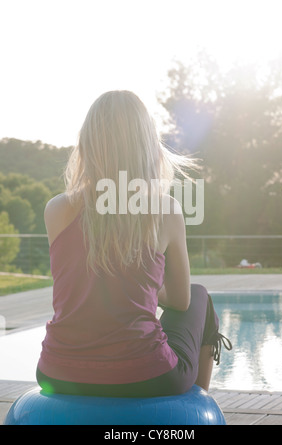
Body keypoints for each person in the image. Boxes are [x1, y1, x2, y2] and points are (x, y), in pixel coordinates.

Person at [36, 90, 232, 398]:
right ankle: (198, 408)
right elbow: (180, 301)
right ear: (145, 144)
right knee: (199, 296)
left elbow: (77, 285)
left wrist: (132, 282)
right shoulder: (164, 210)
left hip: (57, 371)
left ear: (88, 143)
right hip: (145, 374)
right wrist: (145, 284)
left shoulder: (57, 209)